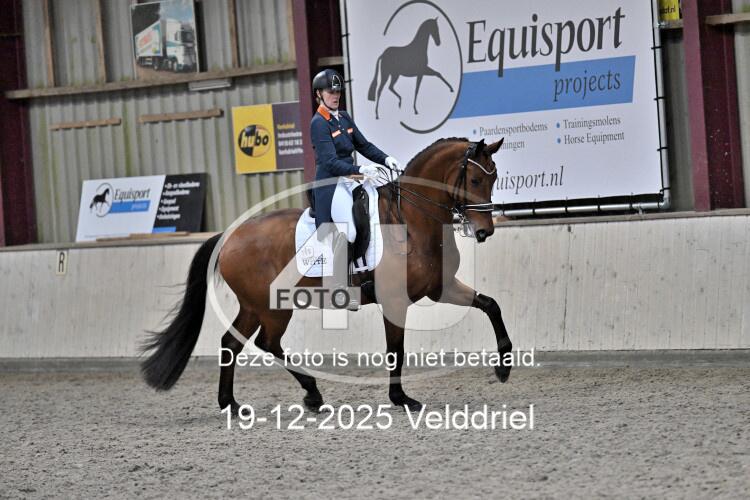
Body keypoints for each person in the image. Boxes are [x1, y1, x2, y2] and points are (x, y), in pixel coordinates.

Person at [309, 68, 401, 309]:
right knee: (348, 231)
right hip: (331, 184)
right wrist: (361, 170)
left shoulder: (344, 117)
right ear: (319, 94)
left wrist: (386, 159)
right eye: (330, 92)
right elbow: (330, 162)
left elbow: (364, 145)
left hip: (351, 179)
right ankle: (341, 287)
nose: (335, 95)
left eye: (338, 91)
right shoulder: (318, 123)